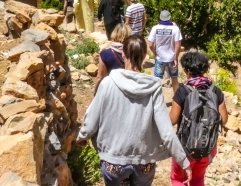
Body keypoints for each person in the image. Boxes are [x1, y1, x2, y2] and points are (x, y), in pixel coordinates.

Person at [77, 35, 191, 186]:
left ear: (123, 53)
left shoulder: (107, 83)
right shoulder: (153, 87)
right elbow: (166, 131)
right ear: (144, 56)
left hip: (114, 161)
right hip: (144, 162)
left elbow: (91, 120)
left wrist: (83, 136)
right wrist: (183, 161)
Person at [169, 51, 228, 186]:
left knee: (179, 179)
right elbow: (224, 120)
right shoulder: (216, 91)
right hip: (207, 147)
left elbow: (172, 120)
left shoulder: (183, 91)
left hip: (186, 148)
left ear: (188, 70)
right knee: (197, 179)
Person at [148, 10, 183, 92]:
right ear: (170, 17)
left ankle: (156, 100)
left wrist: (155, 53)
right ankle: (177, 100)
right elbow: (178, 45)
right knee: (174, 78)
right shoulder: (175, 29)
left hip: (160, 58)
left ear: (160, 17)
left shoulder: (155, 28)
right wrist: (176, 58)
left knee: (157, 80)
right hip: (171, 58)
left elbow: (150, 44)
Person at [94, 24, 132, 95]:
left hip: (110, 90)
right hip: (127, 90)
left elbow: (100, 77)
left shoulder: (105, 54)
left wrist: (95, 92)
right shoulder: (132, 53)